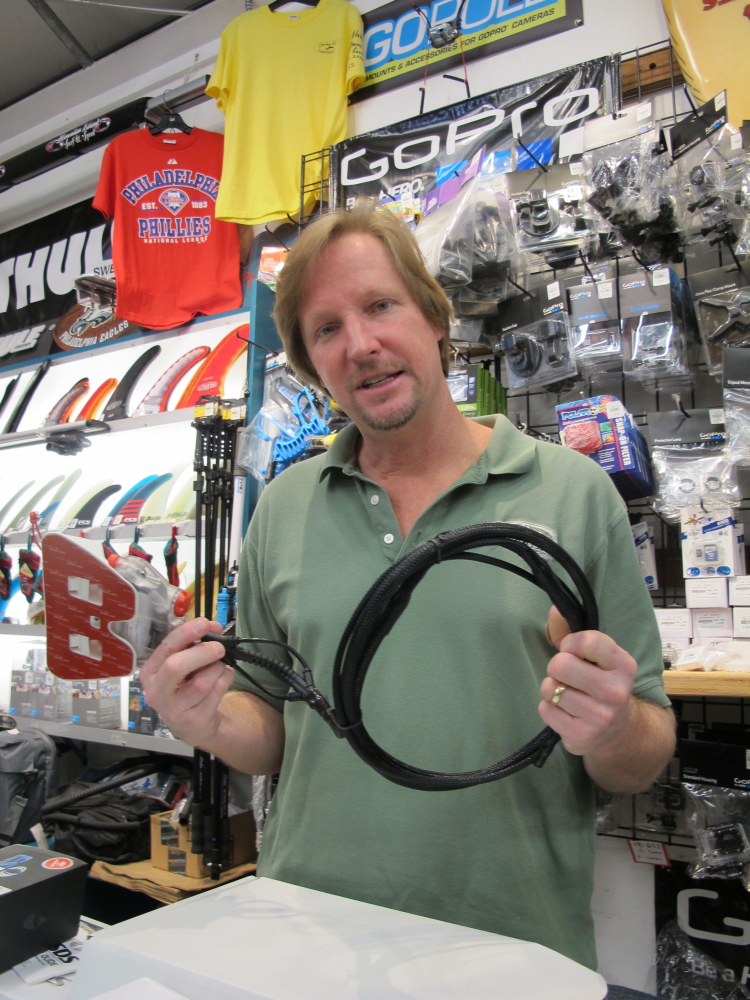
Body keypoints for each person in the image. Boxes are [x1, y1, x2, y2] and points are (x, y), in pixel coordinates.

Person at [142, 199, 675, 975]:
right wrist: (204, 720)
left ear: (433, 317)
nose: (360, 344)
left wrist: (610, 727)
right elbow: (270, 731)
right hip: (311, 933)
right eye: (326, 329)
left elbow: (643, 752)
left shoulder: (573, 492)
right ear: (310, 364)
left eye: (380, 305)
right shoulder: (286, 507)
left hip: (511, 945)